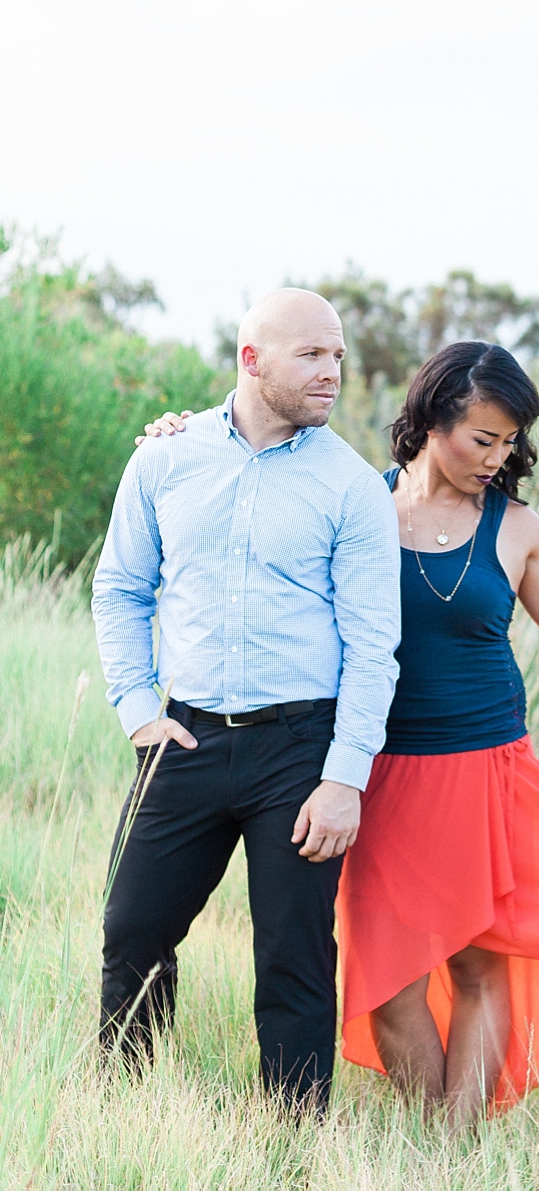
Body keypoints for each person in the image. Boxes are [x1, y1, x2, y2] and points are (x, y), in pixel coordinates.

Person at [145, 340, 539, 1125]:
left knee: (480, 962)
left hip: (486, 769)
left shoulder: (517, 529)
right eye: (483, 438)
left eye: (509, 442)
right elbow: (249, 495)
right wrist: (181, 434)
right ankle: (437, 1126)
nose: (496, 456)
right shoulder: (353, 500)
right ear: (432, 420)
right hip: (374, 769)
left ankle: (450, 1145)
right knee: (389, 979)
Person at [92, 288, 401, 1113]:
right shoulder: (164, 457)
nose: (332, 371)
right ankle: (121, 1107)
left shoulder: (351, 486)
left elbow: (375, 645)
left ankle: (294, 1140)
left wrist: (345, 777)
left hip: (301, 751)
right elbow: (120, 587)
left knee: (293, 957)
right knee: (132, 931)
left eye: (337, 354)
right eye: (311, 355)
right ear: (252, 360)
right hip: (182, 738)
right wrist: (136, 709)